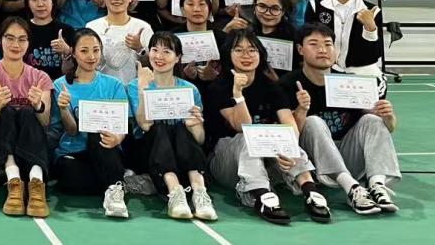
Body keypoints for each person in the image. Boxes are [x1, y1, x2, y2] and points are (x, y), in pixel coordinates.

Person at [204, 30, 331, 225]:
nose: (246, 55)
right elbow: (242, 126)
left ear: (260, 54)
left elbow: (290, 125)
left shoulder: (272, 86)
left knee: (283, 135)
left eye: (252, 50)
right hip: (227, 163)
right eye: (239, 50)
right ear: (229, 55)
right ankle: (262, 197)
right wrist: (238, 95)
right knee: (248, 137)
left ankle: (310, 191)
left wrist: (287, 149)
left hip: (268, 161)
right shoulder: (219, 87)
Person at [283, 24, 400, 215]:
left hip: (346, 155)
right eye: (314, 44)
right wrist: (302, 110)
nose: (322, 49)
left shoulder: (350, 83)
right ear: (300, 49)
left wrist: (388, 117)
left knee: (372, 120)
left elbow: (389, 127)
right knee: (313, 122)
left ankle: (377, 185)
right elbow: (290, 136)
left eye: (328, 44)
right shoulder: (288, 84)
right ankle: (352, 188)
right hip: (313, 164)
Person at [129, 32, 216, 221]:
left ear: (178, 58)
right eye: (155, 50)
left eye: (167, 52)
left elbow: (200, 139)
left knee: (181, 128)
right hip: (149, 155)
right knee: (159, 128)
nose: (159, 56)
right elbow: (145, 125)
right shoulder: (135, 85)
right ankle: (175, 192)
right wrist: (143, 89)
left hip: (183, 158)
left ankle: (200, 192)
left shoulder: (190, 89)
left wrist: (195, 125)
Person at [0, 17, 53, 217]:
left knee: (27, 112)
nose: (16, 44)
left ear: (28, 43)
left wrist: (38, 105)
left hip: (32, 150)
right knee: (7, 111)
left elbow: (45, 122)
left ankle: (36, 183)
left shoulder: (40, 77)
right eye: (10, 38)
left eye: (22, 39)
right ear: (0, 40)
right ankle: (13, 181)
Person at [48, 27, 132, 219]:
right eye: (84, 51)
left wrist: (117, 139)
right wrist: (63, 109)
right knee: (69, 177)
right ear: (73, 53)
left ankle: (115, 193)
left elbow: (122, 125)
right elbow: (71, 130)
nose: (91, 56)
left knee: (98, 132)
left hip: (105, 147)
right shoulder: (60, 85)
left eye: (96, 50)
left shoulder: (114, 85)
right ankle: (117, 182)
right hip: (73, 152)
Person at [306, 0, 382, 77]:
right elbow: (308, 44)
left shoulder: (372, 11)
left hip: (362, 74)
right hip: (325, 71)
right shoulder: (315, 6)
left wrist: (370, 29)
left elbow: (375, 54)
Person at [86, 0, 152, 84]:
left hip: (135, 90)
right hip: (102, 89)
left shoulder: (143, 27)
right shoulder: (92, 27)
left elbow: (154, 66)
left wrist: (140, 49)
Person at [23, 0, 74, 81]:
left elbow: (75, 71)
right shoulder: (22, 30)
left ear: (53, 1)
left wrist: (67, 51)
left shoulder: (67, 31)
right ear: (27, 2)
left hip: (59, 87)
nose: (40, 4)